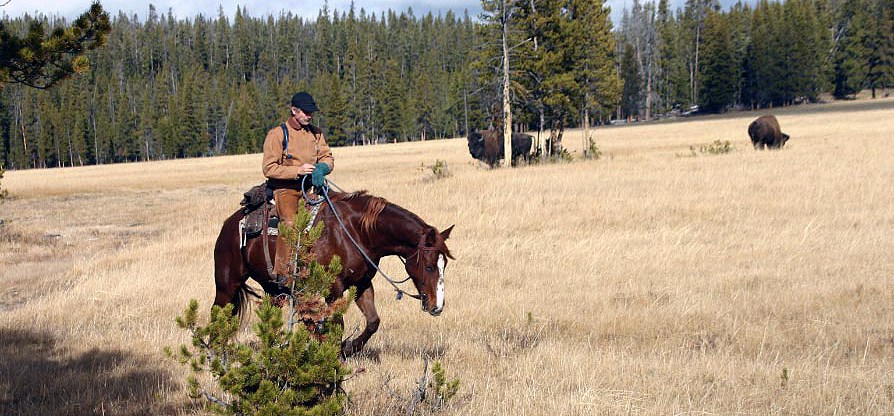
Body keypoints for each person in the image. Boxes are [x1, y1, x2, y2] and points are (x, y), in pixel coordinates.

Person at [262, 91, 334, 280]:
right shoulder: (277, 134)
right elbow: (269, 168)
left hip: (312, 187)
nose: (309, 116)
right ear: (294, 110)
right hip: (286, 189)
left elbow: (327, 156)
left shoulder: (316, 133)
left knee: (338, 214)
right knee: (291, 224)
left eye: (311, 113)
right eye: (306, 112)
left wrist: (322, 168)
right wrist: (297, 171)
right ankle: (284, 274)